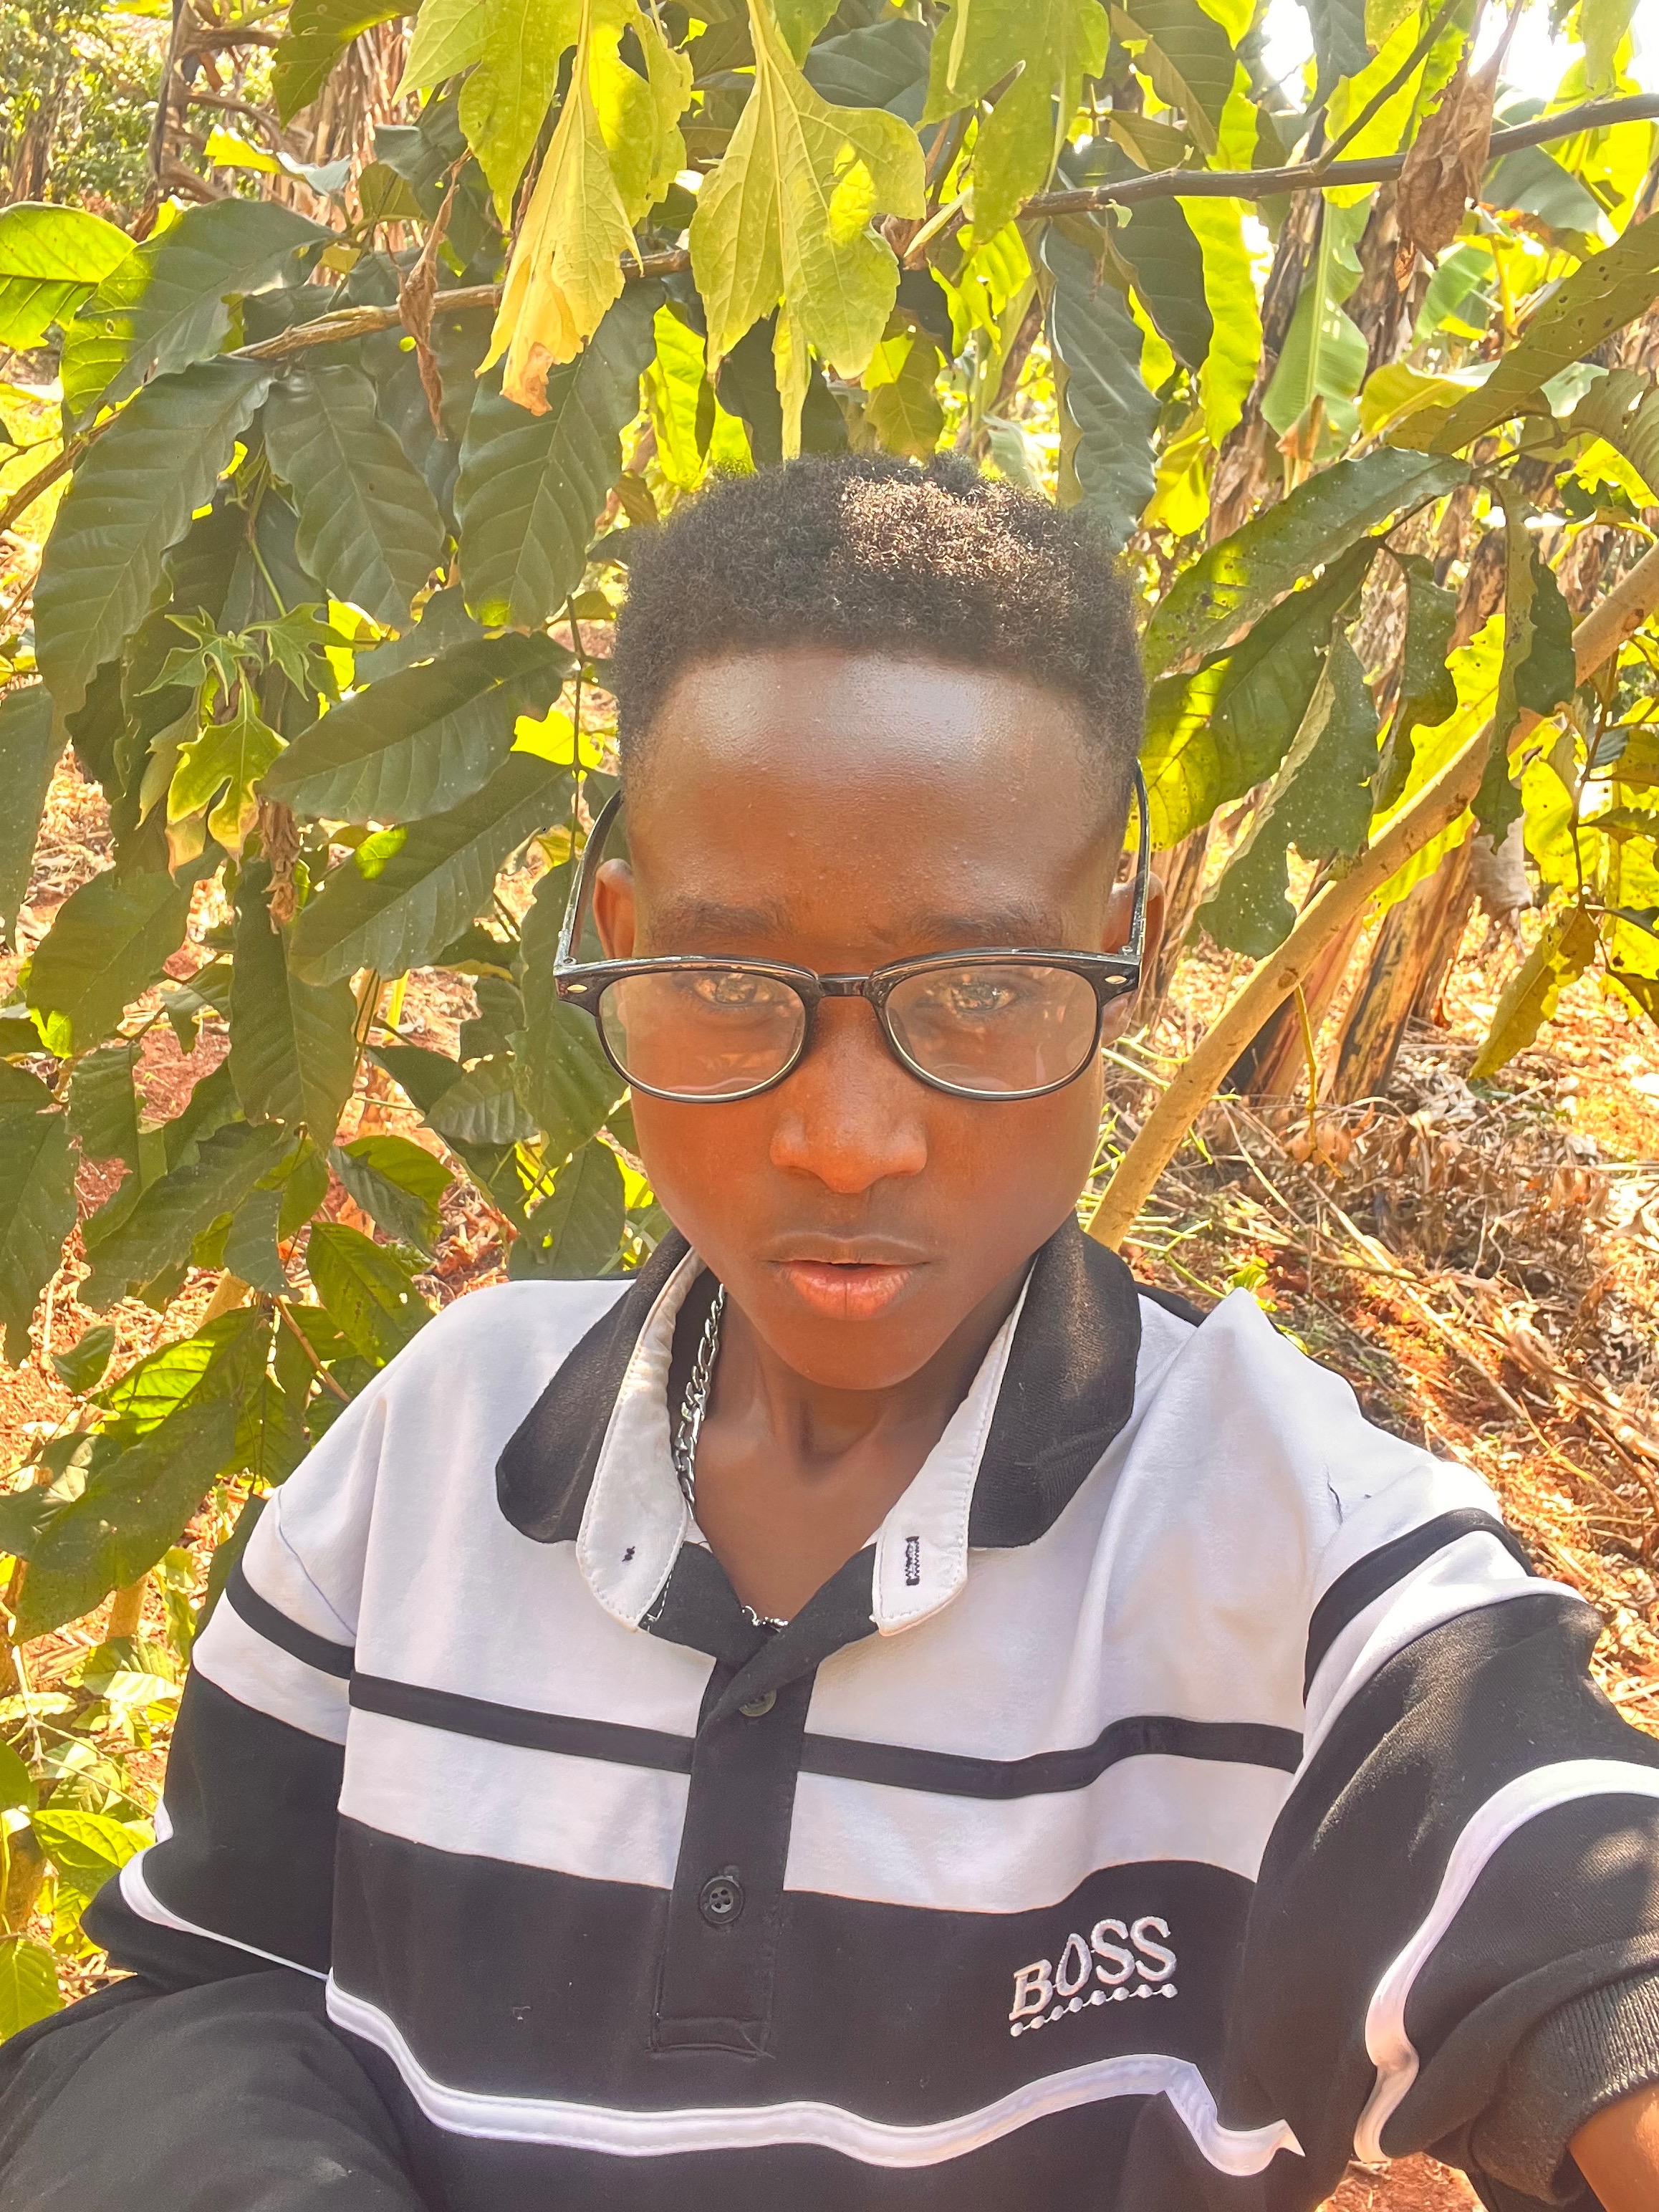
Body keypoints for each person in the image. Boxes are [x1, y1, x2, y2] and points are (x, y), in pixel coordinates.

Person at [2, 454, 1658, 2212]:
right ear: (619, 940)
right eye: (731, 984)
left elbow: (1576, 1918)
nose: (849, 1140)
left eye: (984, 988)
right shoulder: (439, 1449)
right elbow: (214, 1989)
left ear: (1123, 950)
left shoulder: (1289, 1542)